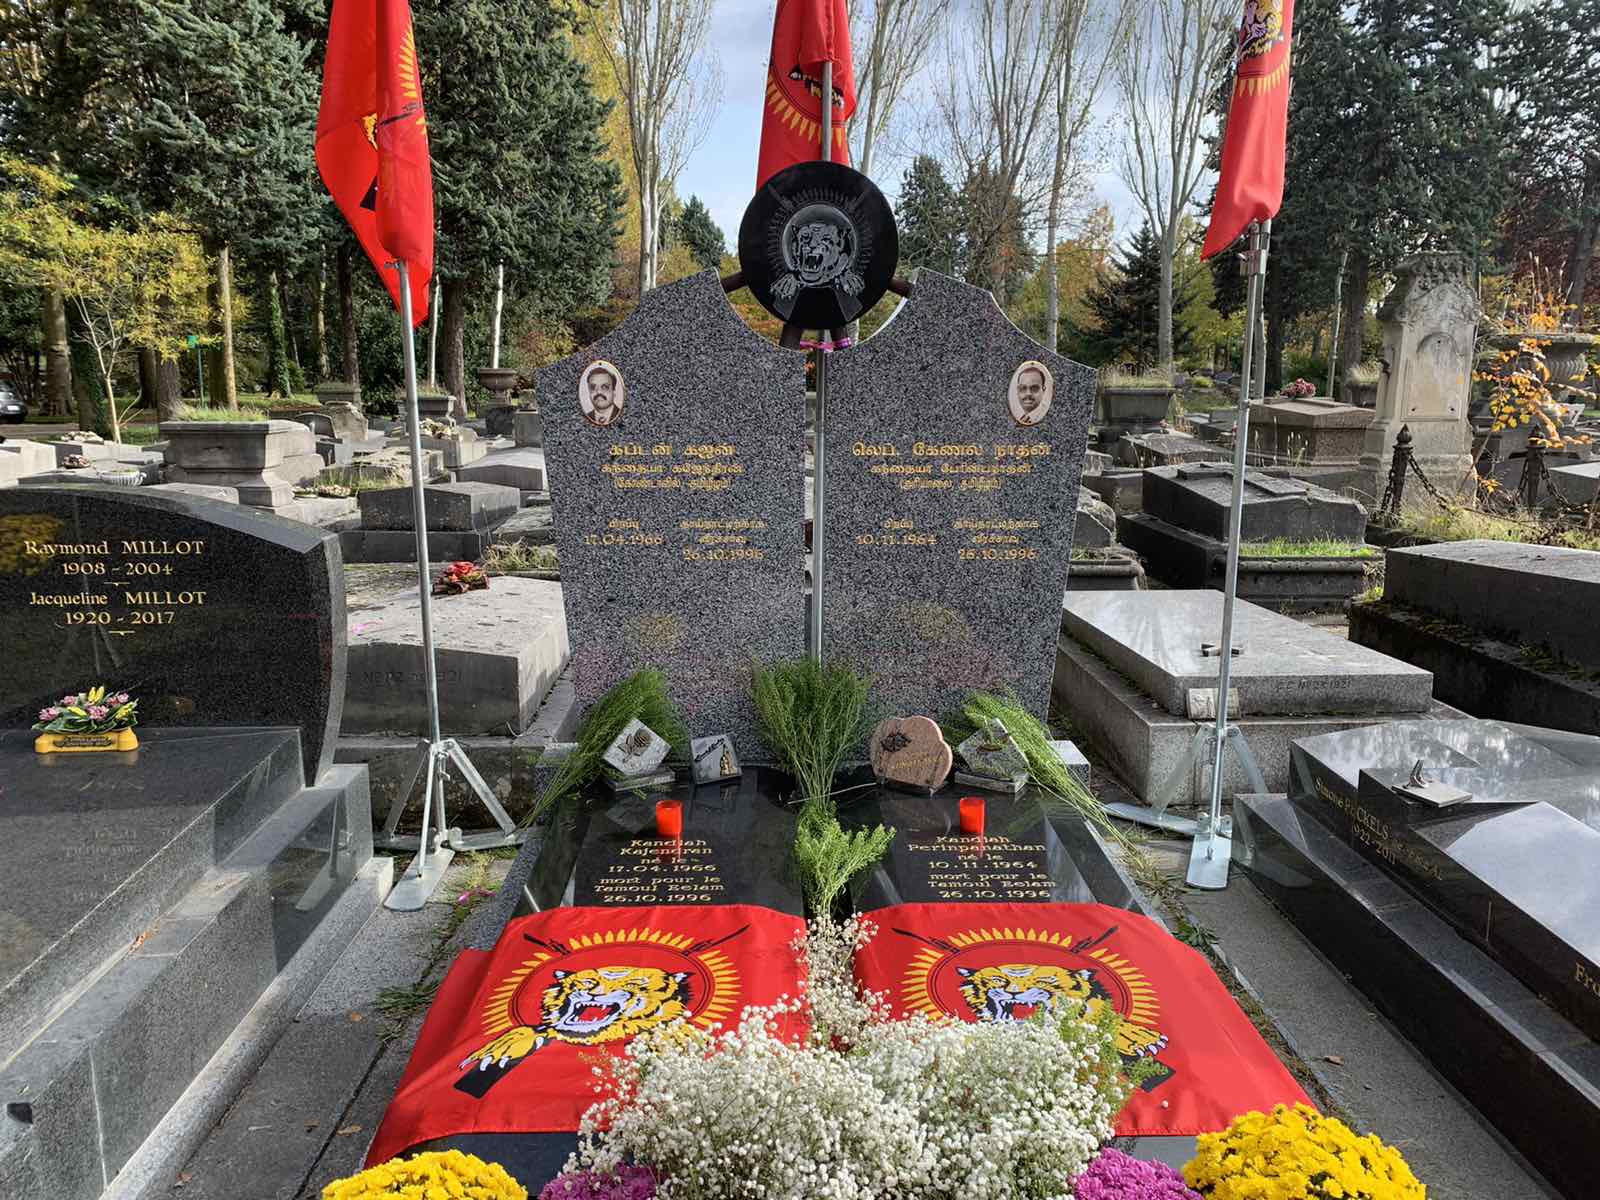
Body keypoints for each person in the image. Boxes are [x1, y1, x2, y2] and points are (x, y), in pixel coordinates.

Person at [581, 363, 624, 427]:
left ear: (614, 391)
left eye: (604, 387)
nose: (598, 391)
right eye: (593, 387)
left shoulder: (621, 414)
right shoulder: (586, 416)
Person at [1009, 362, 1052, 426]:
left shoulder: (1046, 414)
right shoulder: (1021, 418)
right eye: (1023, 388)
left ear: (1043, 390)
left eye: (1034, 388)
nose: (1028, 394)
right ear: (1017, 390)